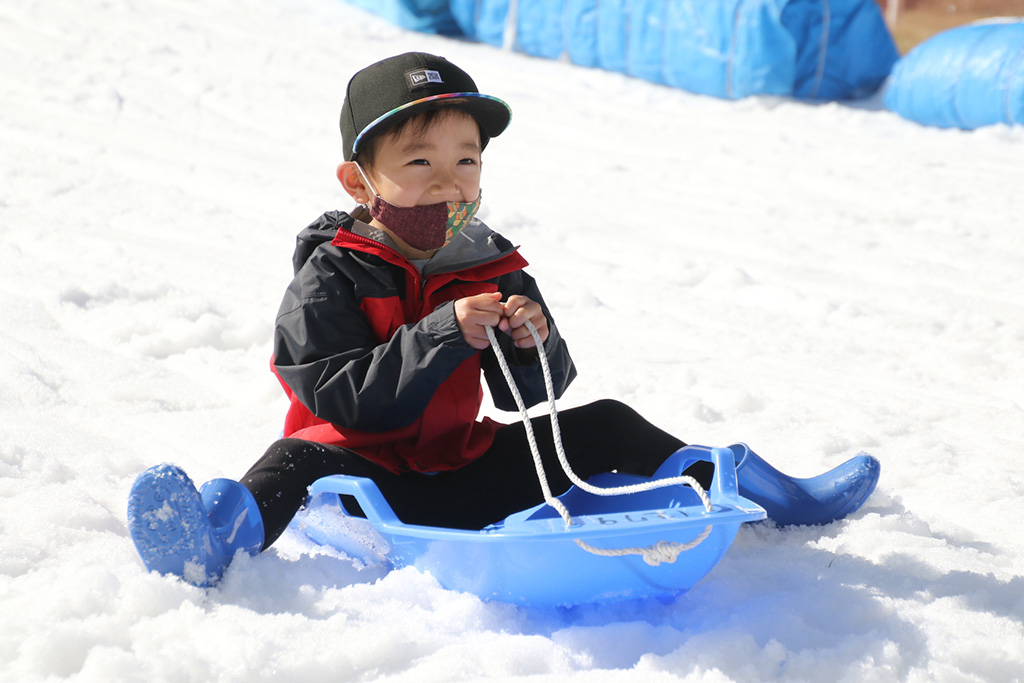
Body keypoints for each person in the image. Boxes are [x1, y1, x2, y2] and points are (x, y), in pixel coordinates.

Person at [127, 52, 880, 588]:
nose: (448, 182)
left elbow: (532, 402)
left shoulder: (490, 264)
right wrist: (440, 332)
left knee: (610, 421)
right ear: (359, 179)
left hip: (463, 469)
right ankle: (216, 537)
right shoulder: (333, 272)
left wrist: (531, 342)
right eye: (419, 163)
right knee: (291, 458)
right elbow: (340, 398)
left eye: (467, 162)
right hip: (365, 484)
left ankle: (755, 494)